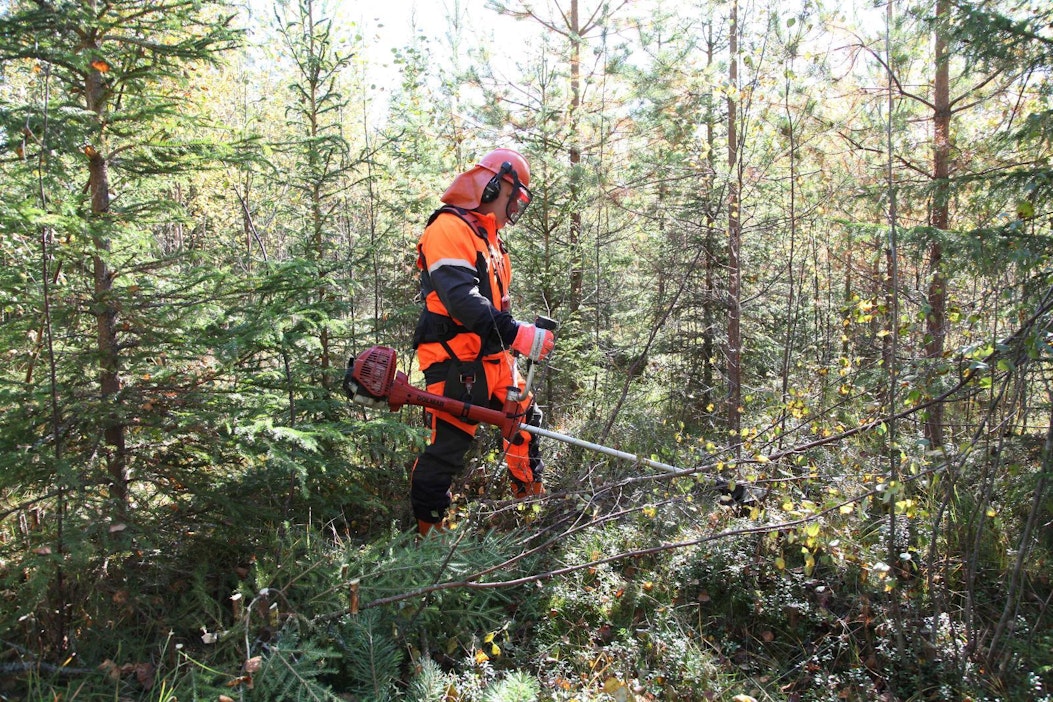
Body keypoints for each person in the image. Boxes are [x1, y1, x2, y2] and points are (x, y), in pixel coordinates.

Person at [409, 148, 555, 536]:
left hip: (493, 358)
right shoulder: (448, 229)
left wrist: (511, 337)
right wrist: (518, 333)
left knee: (524, 424)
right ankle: (426, 537)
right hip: (454, 357)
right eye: (514, 198)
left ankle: (527, 509)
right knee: (449, 446)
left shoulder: (491, 241)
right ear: (493, 186)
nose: (514, 210)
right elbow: (461, 301)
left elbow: (494, 307)